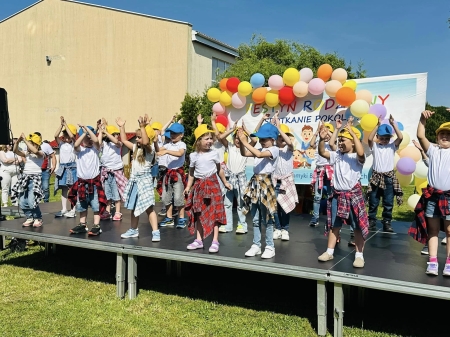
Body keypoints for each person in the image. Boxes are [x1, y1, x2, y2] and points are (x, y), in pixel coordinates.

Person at [317, 118, 369, 268]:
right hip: (337, 195)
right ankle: (329, 251)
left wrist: (352, 132)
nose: (340, 143)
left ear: (353, 141)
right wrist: (322, 139)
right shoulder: (337, 155)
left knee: (357, 226)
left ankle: (359, 255)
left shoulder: (357, 158)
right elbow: (322, 151)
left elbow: (360, 151)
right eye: (339, 140)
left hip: (353, 195)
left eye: (343, 140)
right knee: (334, 225)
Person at [408, 111, 450, 276]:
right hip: (433, 197)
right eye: (442, 134)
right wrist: (422, 120)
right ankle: (432, 261)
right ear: (437, 137)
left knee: (449, 231)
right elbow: (420, 135)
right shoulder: (433, 151)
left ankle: (448, 263)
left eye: (448, 134)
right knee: (432, 230)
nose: (445, 136)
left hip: (449, 197)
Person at [184, 124, 231, 252]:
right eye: (207, 139)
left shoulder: (214, 154)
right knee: (199, 212)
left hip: (212, 184)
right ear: (199, 141)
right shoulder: (193, 156)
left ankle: (215, 241)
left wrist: (225, 182)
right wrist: (188, 186)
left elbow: (219, 169)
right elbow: (192, 173)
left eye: (211, 138)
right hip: (199, 186)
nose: (210, 141)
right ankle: (199, 240)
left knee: (214, 213)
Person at [238, 123, 279, 259]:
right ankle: (256, 245)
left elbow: (259, 154)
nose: (261, 142)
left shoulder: (274, 149)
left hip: (266, 183)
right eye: (260, 139)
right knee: (255, 218)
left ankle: (269, 246)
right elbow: (244, 153)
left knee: (266, 218)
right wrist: (242, 141)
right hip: (255, 183)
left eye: (264, 139)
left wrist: (245, 141)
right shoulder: (260, 149)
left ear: (272, 139)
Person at [118, 115, 161, 241]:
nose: (137, 139)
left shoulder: (150, 149)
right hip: (135, 181)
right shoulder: (136, 148)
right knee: (133, 207)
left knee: (149, 208)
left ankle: (155, 231)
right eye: (137, 137)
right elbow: (125, 141)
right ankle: (133, 229)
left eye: (139, 137)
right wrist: (122, 127)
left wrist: (143, 127)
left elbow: (146, 142)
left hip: (144, 180)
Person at [68, 125, 107, 236]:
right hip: (82, 183)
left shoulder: (96, 148)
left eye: (91, 137)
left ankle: (96, 226)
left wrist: (89, 132)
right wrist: (84, 133)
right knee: (82, 205)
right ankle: (82, 224)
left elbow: (96, 140)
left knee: (96, 205)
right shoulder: (79, 150)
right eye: (86, 138)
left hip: (94, 183)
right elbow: (76, 144)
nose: (90, 140)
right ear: (82, 138)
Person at [367, 115, 403, 233]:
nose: (384, 140)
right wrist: (377, 125)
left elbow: (400, 137)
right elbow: (369, 139)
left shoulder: (392, 146)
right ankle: (371, 220)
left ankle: (386, 221)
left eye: (387, 138)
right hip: (376, 178)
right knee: (373, 200)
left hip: (388, 178)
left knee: (388, 202)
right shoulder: (375, 147)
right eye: (382, 138)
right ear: (378, 137)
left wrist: (394, 125)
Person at [215, 120, 252, 234]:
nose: (238, 140)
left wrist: (246, 131)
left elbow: (255, 140)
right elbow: (220, 137)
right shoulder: (230, 146)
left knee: (241, 203)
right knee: (227, 202)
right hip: (229, 178)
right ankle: (228, 225)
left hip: (240, 178)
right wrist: (232, 129)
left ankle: (242, 225)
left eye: (240, 138)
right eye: (236, 137)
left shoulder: (246, 148)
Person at [272, 117, 298, 241]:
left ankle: (285, 229)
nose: (282, 138)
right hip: (275, 182)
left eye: (284, 136)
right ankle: (277, 228)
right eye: (279, 137)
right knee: (275, 207)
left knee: (285, 207)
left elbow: (289, 142)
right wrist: (274, 128)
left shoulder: (289, 149)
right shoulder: (273, 150)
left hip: (286, 182)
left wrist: (279, 128)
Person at [11, 133, 45, 227]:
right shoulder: (27, 153)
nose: (27, 146)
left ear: (36, 145)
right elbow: (15, 151)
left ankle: (38, 218)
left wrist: (25, 140)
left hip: (35, 179)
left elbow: (35, 151)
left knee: (31, 201)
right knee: (22, 201)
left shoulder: (41, 153)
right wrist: (17, 142)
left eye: (30, 144)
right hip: (25, 177)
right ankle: (29, 217)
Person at [157, 122, 187, 228]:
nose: (172, 135)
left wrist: (166, 152)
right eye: (171, 133)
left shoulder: (181, 144)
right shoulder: (168, 145)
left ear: (181, 135)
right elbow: (158, 150)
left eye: (175, 133)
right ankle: (169, 218)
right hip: (168, 173)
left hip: (177, 173)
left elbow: (180, 153)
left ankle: (182, 218)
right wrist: (154, 142)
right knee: (166, 196)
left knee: (178, 197)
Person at [309, 121, 339, 227]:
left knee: (331, 196)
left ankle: (331, 219)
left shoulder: (333, 144)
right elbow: (311, 144)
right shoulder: (319, 142)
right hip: (320, 171)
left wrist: (328, 131)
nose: (325, 134)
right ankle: (315, 218)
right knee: (317, 196)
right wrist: (318, 131)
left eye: (327, 132)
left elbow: (334, 139)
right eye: (324, 131)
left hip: (330, 171)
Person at [98, 119, 128, 221]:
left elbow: (116, 142)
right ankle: (107, 211)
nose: (116, 136)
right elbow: (98, 141)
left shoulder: (117, 144)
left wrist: (106, 132)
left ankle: (118, 212)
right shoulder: (104, 144)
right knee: (107, 193)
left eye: (117, 134)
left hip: (116, 171)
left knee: (116, 193)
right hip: (106, 171)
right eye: (115, 134)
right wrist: (101, 131)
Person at [53, 117, 77, 217]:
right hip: (63, 168)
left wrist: (66, 125)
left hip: (72, 168)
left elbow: (72, 136)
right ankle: (64, 208)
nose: (66, 135)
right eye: (65, 133)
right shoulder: (61, 144)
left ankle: (73, 209)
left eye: (67, 133)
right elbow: (55, 135)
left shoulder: (75, 144)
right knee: (63, 189)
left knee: (73, 189)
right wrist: (62, 125)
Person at [34, 132, 56, 203]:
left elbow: (53, 156)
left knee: (45, 187)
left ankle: (46, 201)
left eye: (39, 137)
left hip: (45, 170)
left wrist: (54, 166)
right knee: (36, 187)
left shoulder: (46, 145)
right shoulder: (32, 146)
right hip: (35, 170)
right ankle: (36, 202)